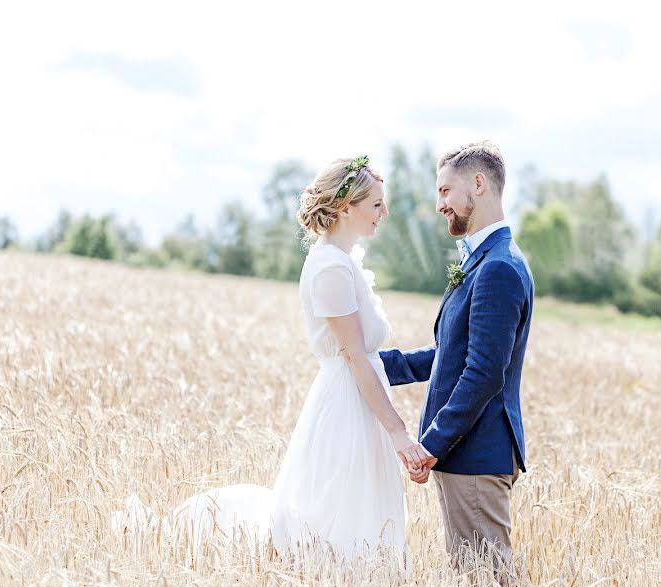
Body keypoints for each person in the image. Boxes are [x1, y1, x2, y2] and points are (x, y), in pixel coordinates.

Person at [112, 155, 428, 563]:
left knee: (355, 509)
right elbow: (355, 358)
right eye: (376, 204)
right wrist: (398, 433)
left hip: (361, 398)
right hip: (348, 402)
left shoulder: (345, 260)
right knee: (334, 516)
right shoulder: (330, 267)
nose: (384, 212)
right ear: (347, 207)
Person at [380, 141, 534, 572]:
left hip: (477, 455)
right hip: (468, 456)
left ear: (479, 184)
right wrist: (378, 365)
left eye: (446, 191)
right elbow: (451, 354)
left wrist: (430, 445)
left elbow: (484, 374)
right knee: (476, 582)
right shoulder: (484, 261)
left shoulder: (498, 268)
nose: (439, 204)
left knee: (488, 583)